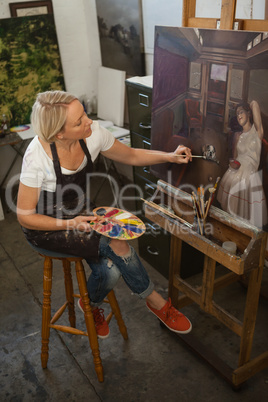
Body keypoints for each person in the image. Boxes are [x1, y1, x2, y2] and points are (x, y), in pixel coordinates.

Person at [17, 90, 193, 339]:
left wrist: (169, 156)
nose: (89, 121)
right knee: (118, 241)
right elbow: (25, 216)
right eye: (79, 122)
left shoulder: (93, 134)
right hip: (46, 225)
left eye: (84, 113)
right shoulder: (37, 156)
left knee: (110, 271)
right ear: (59, 133)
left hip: (79, 210)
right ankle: (156, 302)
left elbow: (130, 154)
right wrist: (70, 223)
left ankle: (89, 304)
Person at [217, 100, 267, 228]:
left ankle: (241, 226)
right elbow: (235, 157)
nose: (239, 116)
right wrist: (232, 162)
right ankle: (230, 223)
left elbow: (255, 103)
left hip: (250, 170)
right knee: (230, 181)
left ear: (249, 114)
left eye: (241, 112)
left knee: (239, 184)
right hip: (238, 168)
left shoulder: (257, 132)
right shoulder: (239, 136)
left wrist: (246, 106)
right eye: (237, 114)